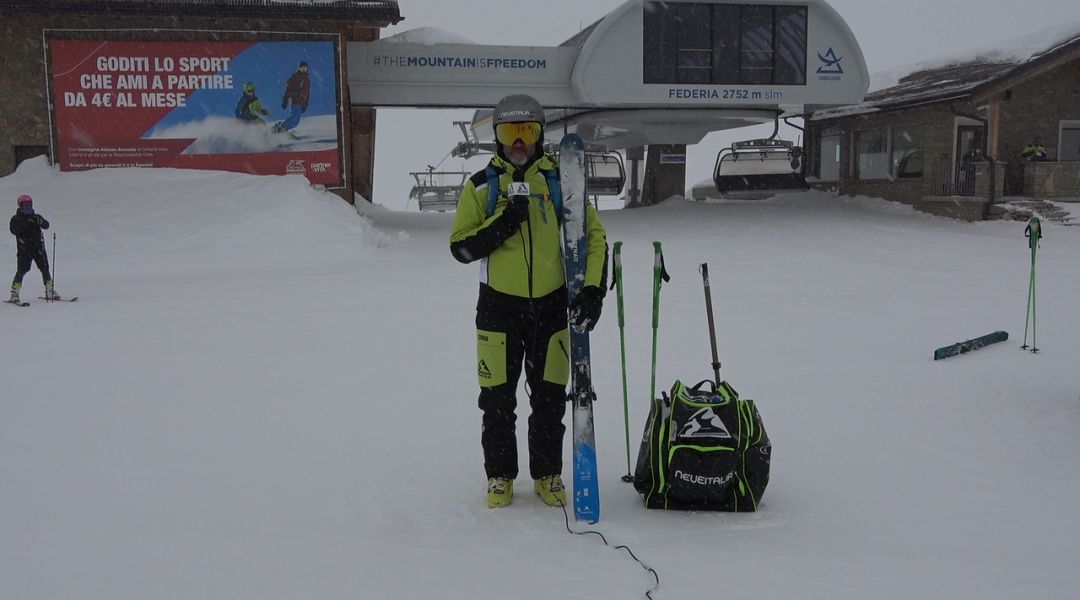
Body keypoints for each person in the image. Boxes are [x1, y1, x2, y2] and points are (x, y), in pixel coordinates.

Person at [449, 94, 608, 509]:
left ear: (539, 137)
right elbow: (460, 247)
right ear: (497, 138)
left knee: (550, 397)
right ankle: (500, 476)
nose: (518, 142)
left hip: (551, 307)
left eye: (527, 132)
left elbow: (594, 237)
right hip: (498, 308)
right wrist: (503, 223)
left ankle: (547, 474)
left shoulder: (560, 181)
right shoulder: (482, 186)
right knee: (497, 401)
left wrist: (592, 290)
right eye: (509, 133)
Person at [9, 194, 59, 302]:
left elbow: (46, 225)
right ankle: (15, 293)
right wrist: (27, 223)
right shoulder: (16, 218)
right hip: (25, 249)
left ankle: (49, 290)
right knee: (22, 270)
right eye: (25, 205)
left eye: (29, 204)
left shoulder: (36, 216)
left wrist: (40, 221)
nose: (28, 207)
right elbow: (14, 230)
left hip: (38, 247)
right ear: (20, 206)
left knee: (44, 268)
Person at [273, 61, 310, 134]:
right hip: (295, 99)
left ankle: (281, 126)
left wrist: (305, 104)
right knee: (295, 117)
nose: (303, 70)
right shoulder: (295, 76)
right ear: (299, 68)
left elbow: (307, 93)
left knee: (296, 121)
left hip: (301, 102)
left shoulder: (307, 80)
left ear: (307, 69)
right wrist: (285, 99)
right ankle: (282, 128)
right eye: (301, 68)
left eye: (305, 68)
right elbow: (288, 88)